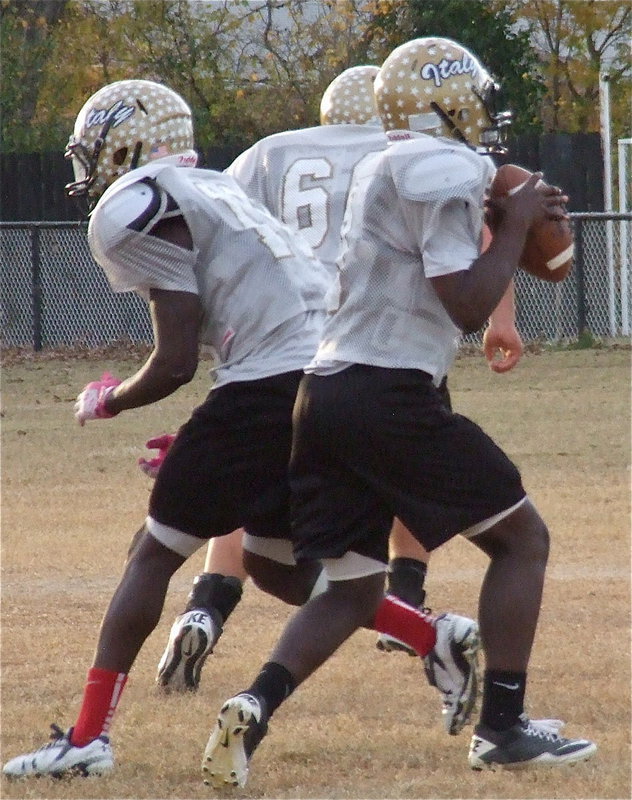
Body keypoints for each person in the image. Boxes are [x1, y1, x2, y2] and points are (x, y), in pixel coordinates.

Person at [3, 77, 471, 780]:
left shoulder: (135, 204)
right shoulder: (221, 187)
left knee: (152, 553)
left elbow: (176, 359)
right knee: (276, 568)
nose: (87, 167)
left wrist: (111, 400)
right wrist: (203, 439)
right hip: (327, 378)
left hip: (267, 384)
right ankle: (432, 636)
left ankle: (87, 739)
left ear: (124, 143)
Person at [203, 38, 597, 789]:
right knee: (523, 541)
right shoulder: (439, 165)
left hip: (324, 392)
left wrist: (505, 214)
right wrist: (514, 223)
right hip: (386, 393)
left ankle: (253, 704)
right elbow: (467, 302)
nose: (484, 114)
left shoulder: (393, 162)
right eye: (472, 99)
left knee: (353, 588)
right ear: (442, 103)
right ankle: (503, 727)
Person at [155, 65, 522, 709]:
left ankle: (208, 608)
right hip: (376, 339)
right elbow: (476, 242)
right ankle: (409, 595)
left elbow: (224, 235)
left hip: (281, 348)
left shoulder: (271, 153)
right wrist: (504, 318)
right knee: (409, 474)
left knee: (255, 491)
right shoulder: (415, 155)